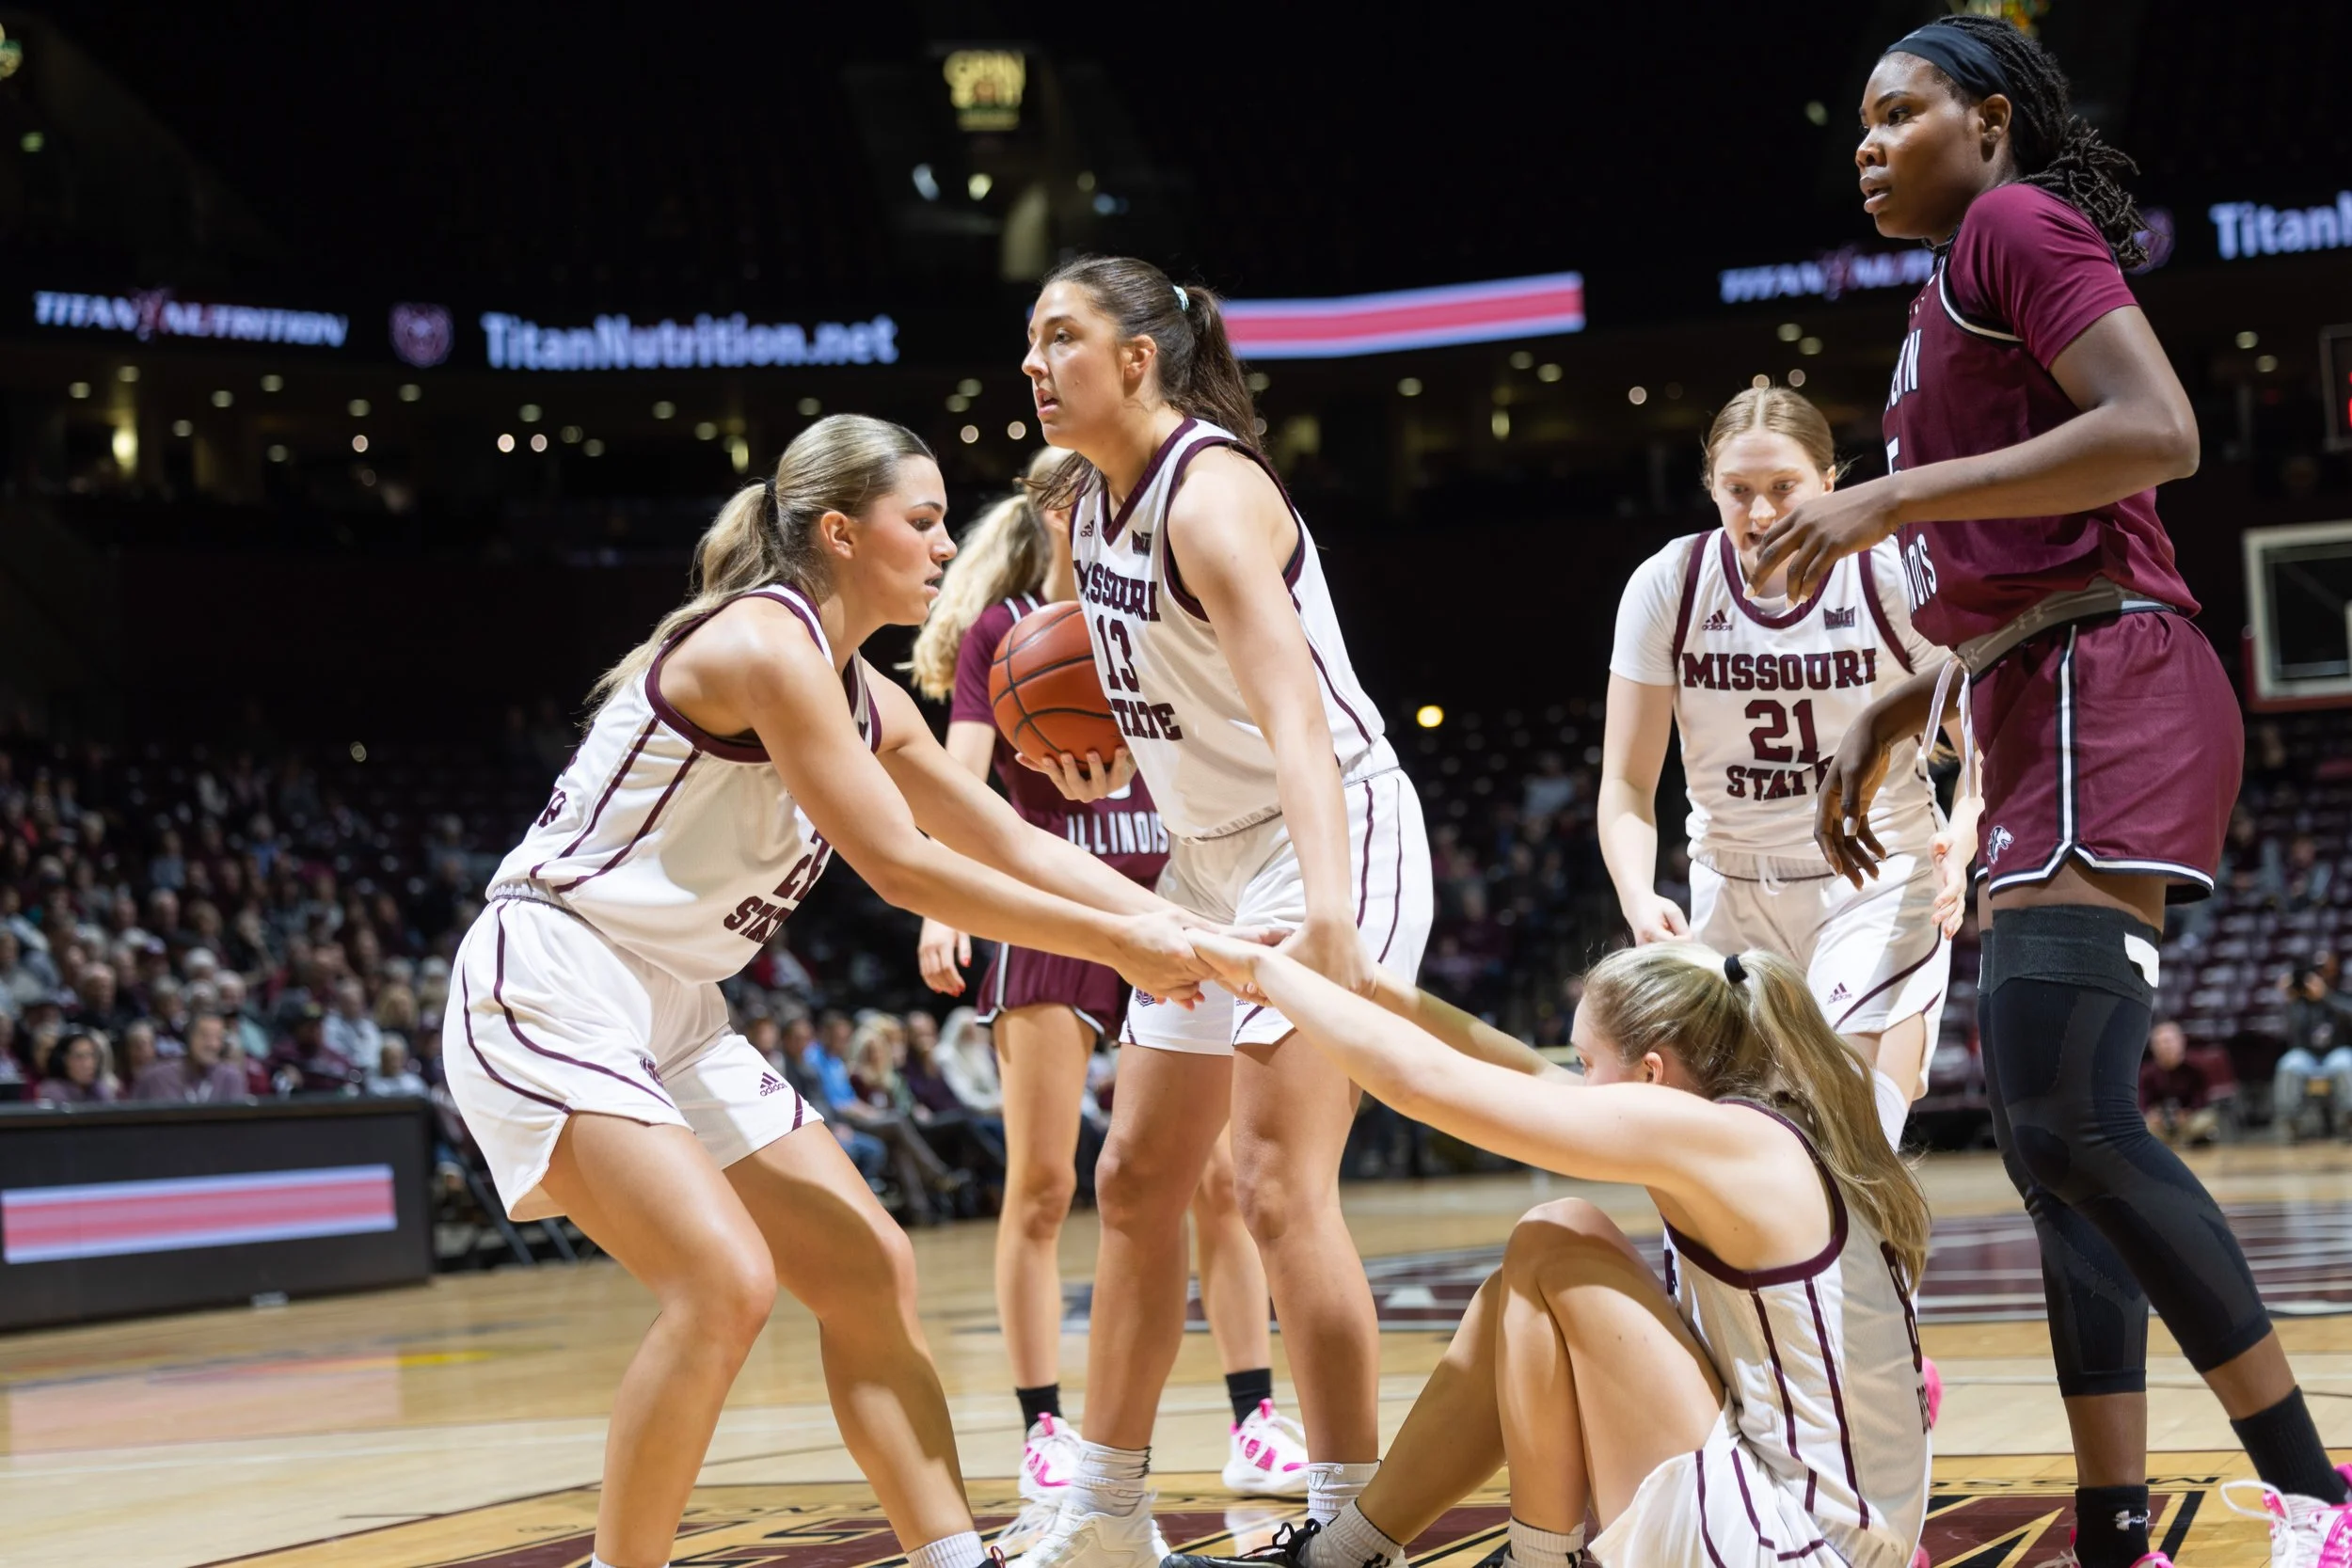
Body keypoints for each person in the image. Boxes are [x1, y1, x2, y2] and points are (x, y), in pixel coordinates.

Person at [1754, 17, 2352, 1565]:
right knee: (2047, 1139)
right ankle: (2112, 1524)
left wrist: (1888, 492)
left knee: (2073, 1115)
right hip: (2036, 696)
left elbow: (2157, 433)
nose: (1869, 144)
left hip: (2112, 689)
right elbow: (2011, 556)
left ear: (1994, 121)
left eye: (1903, 114)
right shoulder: (1940, 294)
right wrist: (1903, 697)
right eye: (1861, 122)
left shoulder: (2016, 226)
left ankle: (2320, 1490)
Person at [439, 413, 1228, 1568]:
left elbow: (1005, 838)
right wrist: (1119, 939)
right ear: (839, 532)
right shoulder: (763, 644)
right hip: (553, 973)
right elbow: (906, 866)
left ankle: (953, 1556)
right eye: (923, 520)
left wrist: (1166, 913)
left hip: (675, 1005)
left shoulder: (873, 698)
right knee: (722, 1283)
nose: (948, 543)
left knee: (870, 1267)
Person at [1012, 255, 1433, 1568]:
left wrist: (1326, 913)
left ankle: (1350, 1515)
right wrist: (1099, 760)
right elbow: (1165, 702)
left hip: (1333, 830)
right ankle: (1110, 1509)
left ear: (1138, 357)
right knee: (1135, 1174)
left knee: (1274, 1184)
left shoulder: (1214, 493)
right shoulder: (1087, 506)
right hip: (1203, 854)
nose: (1031, 363)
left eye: (1059, 338)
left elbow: (1297, 711)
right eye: (1028, 340)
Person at [1167, 934, 1931, 1568]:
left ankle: (1535, 1558)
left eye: (1585, 1062)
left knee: (1556, 1234)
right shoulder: (1762, 1121)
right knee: (1520, 1290)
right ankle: (1344, 1557)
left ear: (1652, 1071)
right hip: (1813, 1531)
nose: (1572, 1078)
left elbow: (1427, 1084)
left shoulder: (1723, 1141)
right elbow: (1523, 1072)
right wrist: (1370, 985)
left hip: (1798, 1548)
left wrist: (1269, 974)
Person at [906, 453, 1306, 1544]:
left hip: (1168, 892)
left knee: (1216, 1181)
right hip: (1052, 909)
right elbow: (956, 775)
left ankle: (1253, 1413)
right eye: (1068, 504)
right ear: (1045, 516)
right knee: (1041, 1181)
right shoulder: (1004, 632)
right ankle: (1044, 1426)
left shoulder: (1161, 612)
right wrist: (944, 904)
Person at [1601, 386, 1965, 1152]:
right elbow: (1629, 785)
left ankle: (1874, 1271)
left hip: (1875, 881)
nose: (1761, 513)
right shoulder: (1669, 585)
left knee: (1850, 1141)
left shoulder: (1887, 577)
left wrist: (1963, 840)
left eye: (1782, 488)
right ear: (1711, 486)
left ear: (1830, 483)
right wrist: (1638, 896)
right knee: (1729, 1160)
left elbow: (1985, 737)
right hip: (1729, 892)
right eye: (1739, 491)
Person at [2272, 966, 2352, 1141]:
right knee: (2288, 1064)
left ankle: (2349, 1119)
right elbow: (2290, 1034)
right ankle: (2291, 1122)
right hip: (2307, 1055)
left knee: (2344, 1063)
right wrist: (2289, 999)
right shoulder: (2298, 1004)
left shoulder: (2339, 997)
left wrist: (2325, 997)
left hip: (2335, 1052)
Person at [2137, 1020, 2228, 1148]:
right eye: (2159, 1043)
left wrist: (2187, 1112)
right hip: (2159, 1123)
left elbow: (2202, 1099)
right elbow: (2142, 1101)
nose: (2165, 1047)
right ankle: (2184, 1141)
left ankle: (2176, 1141)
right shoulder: (2146, 1073)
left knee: (2207, 1118)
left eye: (2168, 1042)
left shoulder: (2195, 1069)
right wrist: (2152, 1114)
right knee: (2141, 1124)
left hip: (2187, 1120)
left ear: (2181, 1042)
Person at [132, 1012, 247, 1102]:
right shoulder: (156, 1078)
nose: (213, 1044)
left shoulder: (231, 1078)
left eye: (218, 1038)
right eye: (205, 1036)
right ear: (189, 1037)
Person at [37, 1028, 118, 1104]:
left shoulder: (100, 1089)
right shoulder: (52, 1092)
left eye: (92, 1055)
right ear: (63, 1060)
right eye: (79, 1057)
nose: (88, 1064)